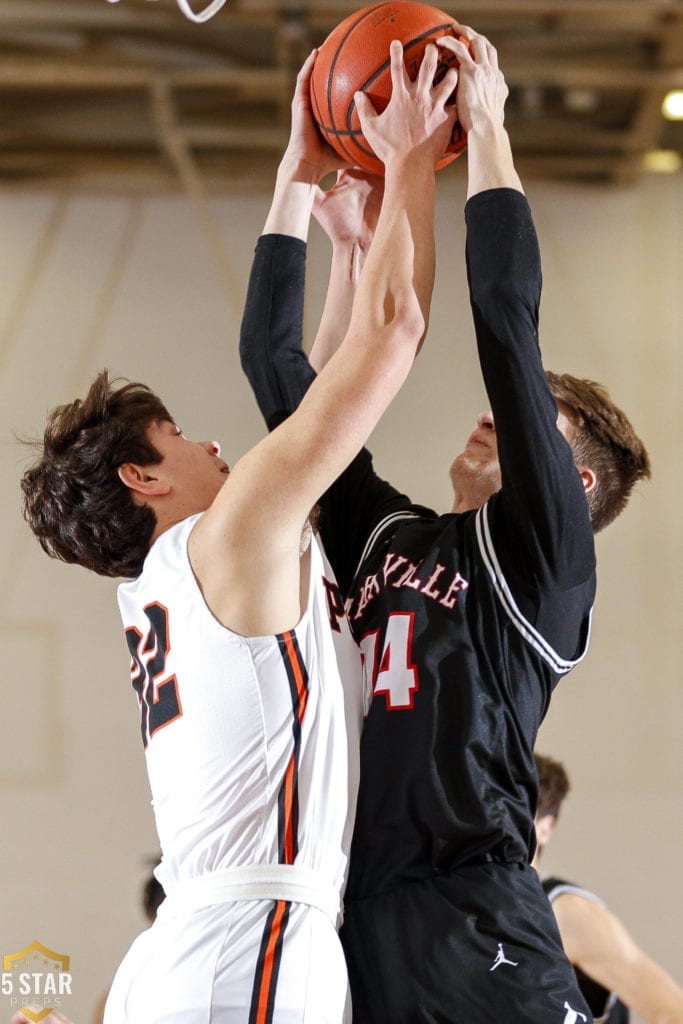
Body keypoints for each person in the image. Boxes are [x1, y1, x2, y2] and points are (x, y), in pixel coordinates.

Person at [20, 42, 458, 1024]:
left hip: (207, 944)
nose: (214, 440)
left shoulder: (188, 569)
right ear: (143, 477)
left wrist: (320, 208)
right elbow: (388, 341)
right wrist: (406, 166)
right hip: (243, 942)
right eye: (178, 436)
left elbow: (326, 402)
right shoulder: (219, 547)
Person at [239, 25, 652, 1024]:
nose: (491, 412)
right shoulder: (387, 539)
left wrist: (485, 133)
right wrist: (295, 174)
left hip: (481, 911)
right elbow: (275, 369)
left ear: (577, 481)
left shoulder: (547, 566)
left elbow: (505, 322)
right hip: (359, 918)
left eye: (533, 422)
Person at [534, 753, 683, 1024]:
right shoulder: (475, 905)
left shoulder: (566, 912)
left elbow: (671, 1011)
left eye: (516, 816)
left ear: (546, 827)